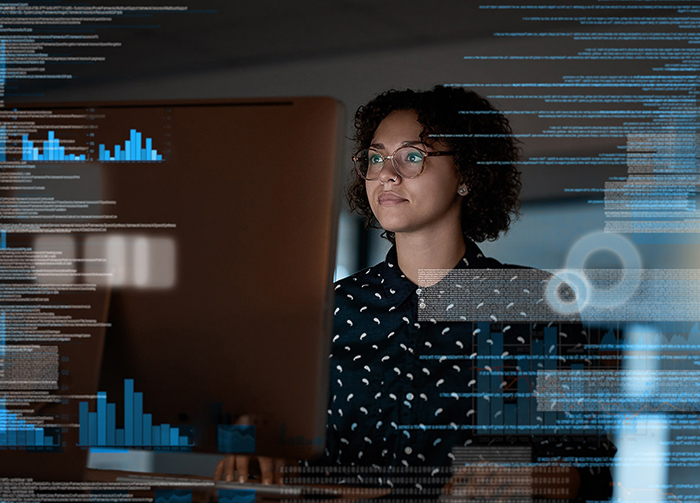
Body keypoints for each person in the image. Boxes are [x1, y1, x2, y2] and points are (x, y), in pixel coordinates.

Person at [216, 85, 615, 500]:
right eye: (375, 157)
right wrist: (254, 446)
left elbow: (592, 469)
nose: (387, 173)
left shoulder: (537, 302)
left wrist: (534, 481)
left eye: (412, 156)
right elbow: (275, 437)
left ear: (466, 174)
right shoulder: (324, 311)